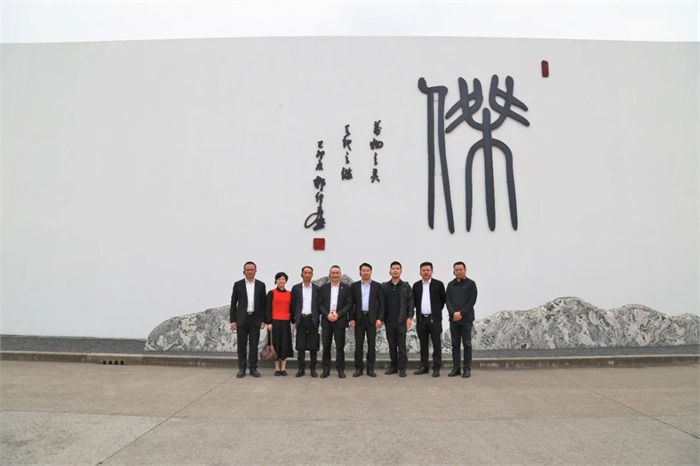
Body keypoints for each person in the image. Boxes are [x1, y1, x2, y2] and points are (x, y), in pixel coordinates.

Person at [230, 261, 267, 378]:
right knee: (241, 345)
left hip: (255, 319)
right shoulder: (238, 285)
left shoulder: (261, 285)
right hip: (242, 319)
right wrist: (233, 320)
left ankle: (253, 368)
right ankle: (242, 368)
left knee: (254, 345)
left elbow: (264, 304)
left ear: (255, 271)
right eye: (248, 270)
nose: (250, 271)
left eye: (252, 270)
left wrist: (263, 320)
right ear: (244, 271)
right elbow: (233, 303)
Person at [349, 263, 385, 377]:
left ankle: (370, 369)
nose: (366, 272)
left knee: (371, 344)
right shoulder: (354, 286)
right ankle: (359, 368)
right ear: (360, 272)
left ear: (371, 272)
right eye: (363, 270)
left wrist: (380, 319)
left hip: (372, 319)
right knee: (358, 345)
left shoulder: (377, 286)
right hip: (359, 319)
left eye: (368, 270)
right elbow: (351, 304)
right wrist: (351, 318)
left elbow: (382, 304)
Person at [412, 262, 447, 377]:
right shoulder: (416, 285)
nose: (426, 272)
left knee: (437, 344)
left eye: (428, 270)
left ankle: (436, 367)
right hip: (421, 320)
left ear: (432, 271)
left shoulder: (438, 284)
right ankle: (424, 366)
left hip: (434, 320)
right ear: (420, 272)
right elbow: (414, 302)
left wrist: (435, 312)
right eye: (423, 270)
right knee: (423, 345)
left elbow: (443, 300)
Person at [318, 265, 353, 378]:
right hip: (326, 320)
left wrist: (338, 314)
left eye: (337, 273)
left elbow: (349, 303)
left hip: (340, 320)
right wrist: (327, 315)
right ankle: (326, 369)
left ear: (340, 274)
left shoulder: (346, 288)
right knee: (326, 346)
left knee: (340, 347)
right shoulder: (323, 288)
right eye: (333, 273)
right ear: (329, 274)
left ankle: (340, 369)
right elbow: (320, 304)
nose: (335, 275)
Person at [381, 261, 414, 377]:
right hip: (389, 321)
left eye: (397, 268)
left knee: (402, 346)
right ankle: (393, 367)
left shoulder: (405, 286)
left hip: (401, 321)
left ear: (401, 271)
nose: (395, 270)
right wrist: (381, 318)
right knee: (392, 346)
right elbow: (381, 303)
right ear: (389, 271)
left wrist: (410, 317)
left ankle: (402, 368)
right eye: (393, 268)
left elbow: (410, 302)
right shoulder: (384, 286)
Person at [445, 261, 478, 378]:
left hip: (466, 319)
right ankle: (456, 368)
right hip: (453, 319)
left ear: (465, 270)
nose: (458, 272)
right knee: (455, 345)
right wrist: (453, 313)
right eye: (456, 270)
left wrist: (461, 313)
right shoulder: (450, 285)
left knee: (467, 344)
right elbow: (447, 300)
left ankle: (467, 369)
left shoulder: (471, 284)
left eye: (461, 269)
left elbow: (472, 300)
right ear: (453, 271)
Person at [290, 266, 321, 378]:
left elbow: (319, 305)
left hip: (313, 319)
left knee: (313, 347)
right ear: (302, 274)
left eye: (309, 273)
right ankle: (301, 369)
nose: (307, 275)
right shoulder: (296, 288)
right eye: (305, 272)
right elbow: (293, 305)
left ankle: (313, 369)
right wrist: (293, 320)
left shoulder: (317, 289)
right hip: (301, 320)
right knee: (300, 346)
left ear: (312, 275)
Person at [266, 272, 295, 376]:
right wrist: (268, 322)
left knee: (284, 345)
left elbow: (292, 309)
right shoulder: (271, 293)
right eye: (279, 279)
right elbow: (267, 308)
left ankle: (283, 368)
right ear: (276, 281)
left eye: (283, 279)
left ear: (286, 281)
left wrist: (293, 322)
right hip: (274, 322)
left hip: (286, 322)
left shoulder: (290, 293)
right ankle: (277, 368)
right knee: (276, 345)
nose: (281, 281)